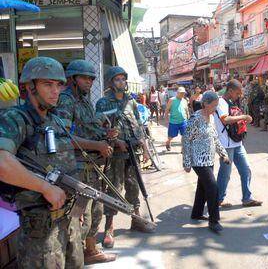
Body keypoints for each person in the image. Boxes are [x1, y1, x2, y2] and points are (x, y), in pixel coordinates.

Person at [0, 57, 83, 268]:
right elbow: (2, 162)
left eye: (58, 85)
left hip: (68, 220)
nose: (55, 91)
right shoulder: (16, 118)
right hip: (40, 229)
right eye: (48, 84)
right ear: (30, 87)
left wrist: (76, 211)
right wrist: (44, 187)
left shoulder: (54, 120)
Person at [55, 59, 117, 264]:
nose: (89, 82)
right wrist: (97, 145)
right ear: (72, 79)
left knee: (96, 211)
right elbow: (62, 137)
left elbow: (88, 128)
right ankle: (74, 257)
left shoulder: (84, 101)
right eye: (84, 78)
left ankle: (90, 251)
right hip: (77, 168)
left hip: (92, 165)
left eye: (91, 78)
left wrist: (105, 134)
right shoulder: (66, 100)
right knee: (80, 216)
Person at [96, 66, 155, 249]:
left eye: (123, 79)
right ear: (110, 83)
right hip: (115, 154)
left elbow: (138, 125)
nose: (122, 82)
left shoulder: (131, 101)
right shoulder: (103, 103)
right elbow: (98, 128)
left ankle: (136, 219)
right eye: (117, 79)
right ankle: (109, 227)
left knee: (133, 187)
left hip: (133, 151)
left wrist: (146, 148)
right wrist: (116, 140)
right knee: (114, 189)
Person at [183, 91, 230, 233]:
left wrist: (224, 154)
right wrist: (186, 162)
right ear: (205, 104)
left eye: (217, 106)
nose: (215, 109)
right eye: (213, 106)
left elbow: (215, 138)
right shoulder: (195, 118)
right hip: (198, 159)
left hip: (209, 158)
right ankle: (214, 220)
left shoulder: (211, 117)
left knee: (203, 186)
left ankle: (196, 213)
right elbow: (186, 140)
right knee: (212, 186)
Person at [214, 79, 263, 207]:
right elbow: (225, 120)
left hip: (237, 143)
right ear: (230, 91)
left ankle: (247, 198)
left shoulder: (231, 102)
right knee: (225, 173)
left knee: (246, 169)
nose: (239, 95)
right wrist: (243, 117)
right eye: (237, 93)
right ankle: (219, 199)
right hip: (226, 145)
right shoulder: (221, 102)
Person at [165, 86, 190, 151]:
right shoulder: (172, 100)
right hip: (174, 121)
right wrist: (166, 120)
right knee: (171, 136)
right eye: (181, 93)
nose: (182, 94)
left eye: (183, 93)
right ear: (177, 93)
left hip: (183, 121)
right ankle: (168, 142)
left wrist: (189, 119)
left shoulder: (185, 100)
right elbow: (167, 110)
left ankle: (183, 149)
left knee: (184, 136)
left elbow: (187, 111)